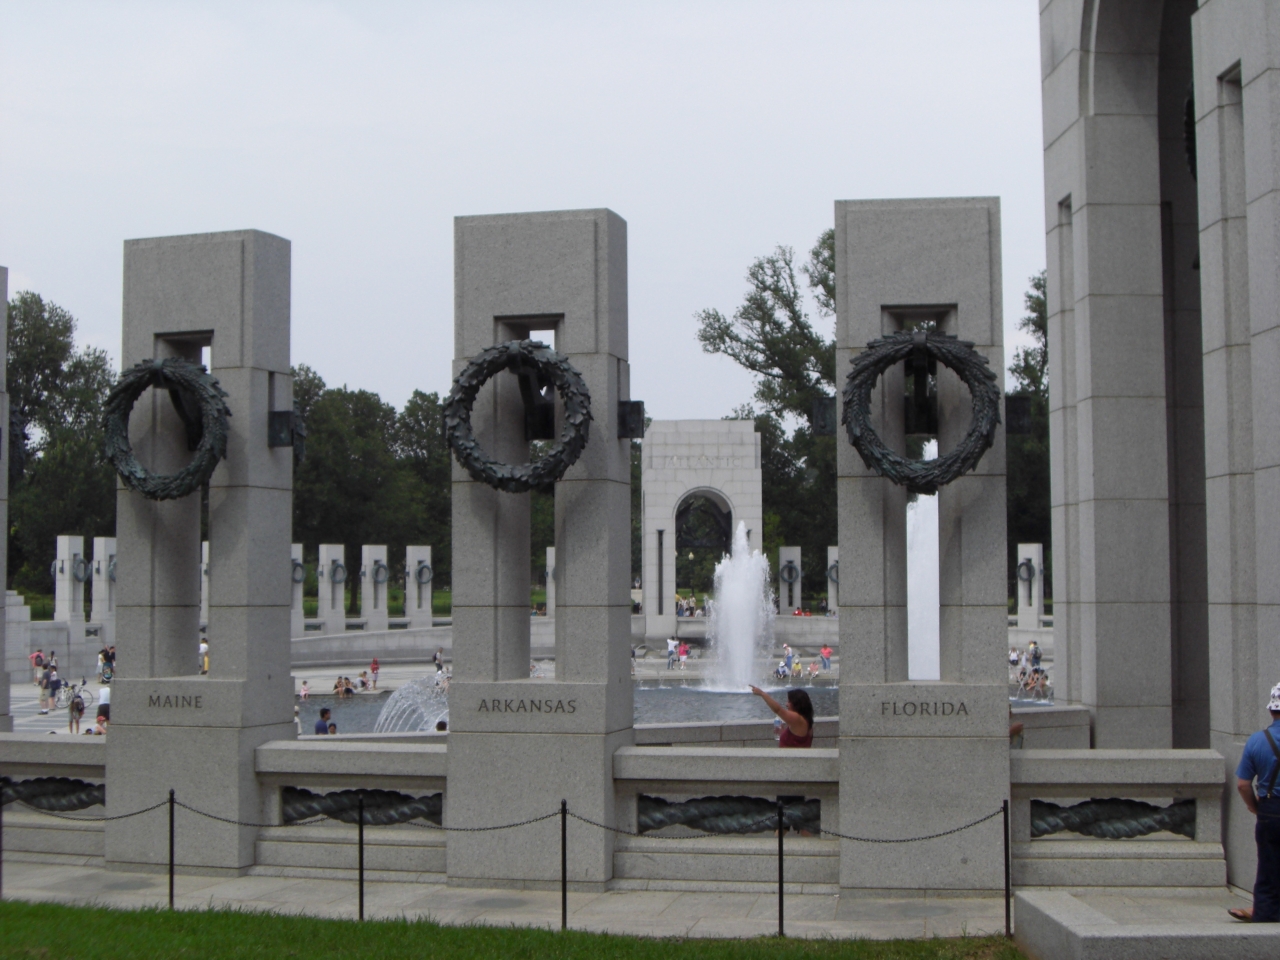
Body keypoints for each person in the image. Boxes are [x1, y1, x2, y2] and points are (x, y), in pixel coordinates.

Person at [1229, 681, 1280, 923]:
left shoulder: (1257, 741)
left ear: (1272, 710)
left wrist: (1254, 806)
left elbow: (1243, 784)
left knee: (1269, 865)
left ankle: (1266, 913)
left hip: (1270, 810)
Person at [750, 686, 814, 748]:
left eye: (789, 701)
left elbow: (778, 710)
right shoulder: (806, 720)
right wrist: (784, 733)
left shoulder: (797, 719)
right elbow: (798, 742)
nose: (786, 704)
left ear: (796, 703)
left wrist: (762, 693)